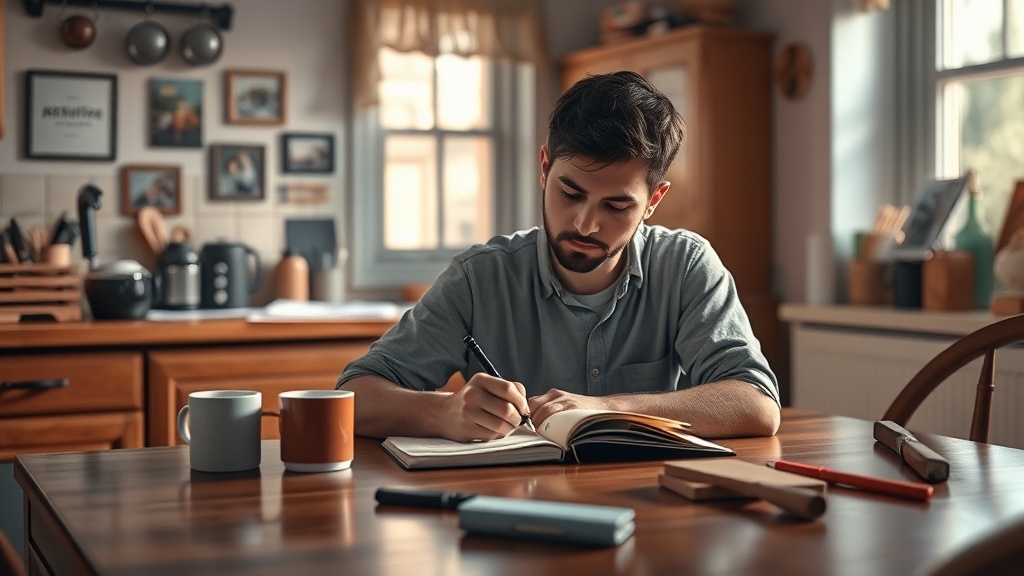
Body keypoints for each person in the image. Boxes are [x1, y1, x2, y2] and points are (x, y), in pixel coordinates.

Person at [337, 71, 780, 442]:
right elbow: (356, 396)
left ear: (653, 201)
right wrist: (442, 413)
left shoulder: (685, 267)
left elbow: (756, 403)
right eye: (571, 193)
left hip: (646, 501)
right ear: (545, 168)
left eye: (616, 206)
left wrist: (608, 408)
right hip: (514, 504)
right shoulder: (480, 278)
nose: (586, 225)